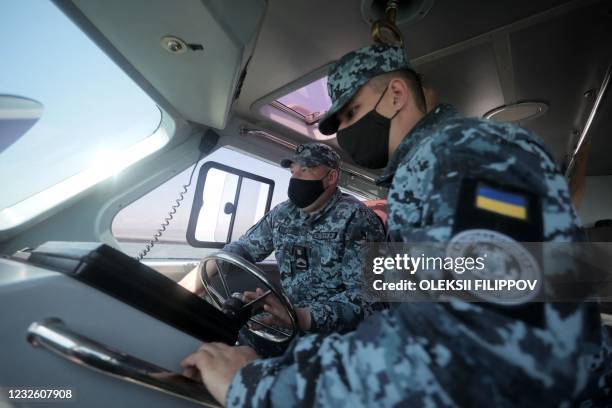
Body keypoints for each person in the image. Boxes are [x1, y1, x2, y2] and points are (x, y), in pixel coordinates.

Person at [180, 44, 609, 406]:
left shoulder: (466, 155)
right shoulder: (417, 177)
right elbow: (402, 303)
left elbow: (482, 342)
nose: (345, 134)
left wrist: (257, 387)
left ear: (396, 94)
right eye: (339, 125)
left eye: (351, 114)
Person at [180, 142, 386, 356]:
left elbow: (369, 302)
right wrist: (193, 282)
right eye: (293, 171)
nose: (295, 179)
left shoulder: (358, 220)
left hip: (338, 336)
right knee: (223, 340)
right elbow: (243, 248)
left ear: (331, 178)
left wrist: (301, 317)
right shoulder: (283, 213)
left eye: (305, 170)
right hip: (288, 319)